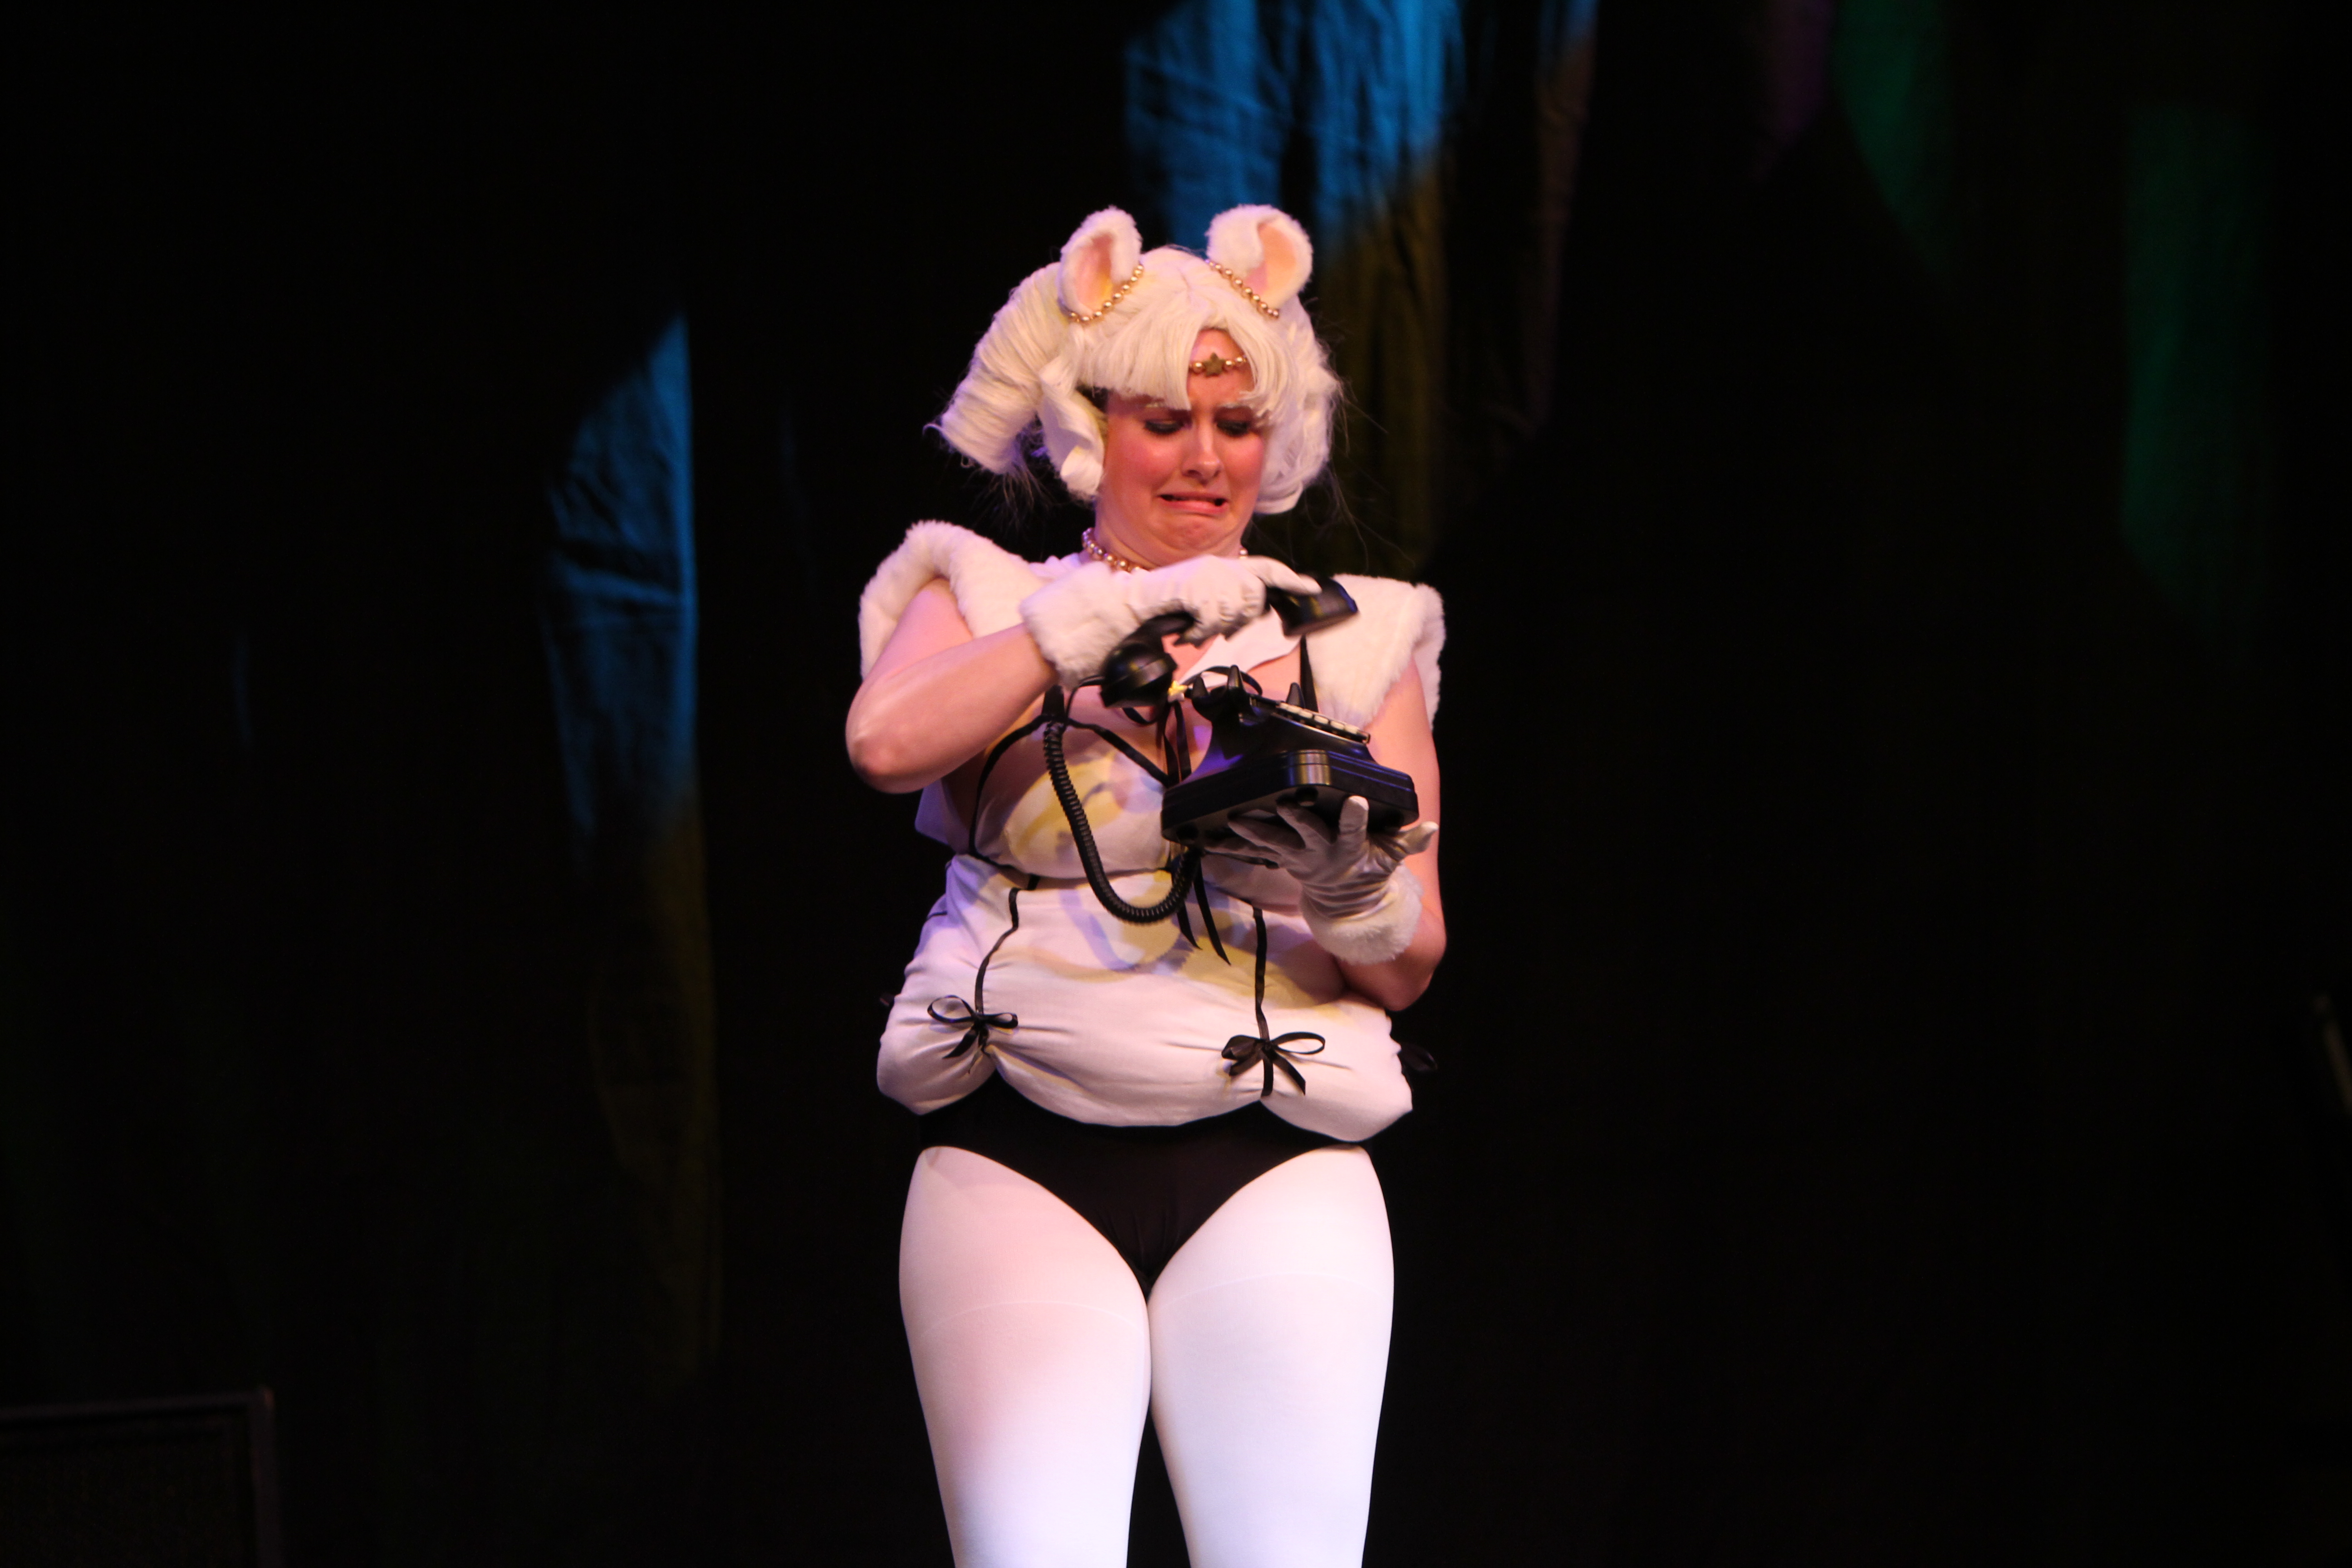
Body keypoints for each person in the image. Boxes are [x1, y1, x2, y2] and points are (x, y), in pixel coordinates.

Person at [846, 204, 1445, 1568]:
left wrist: (1355, 897)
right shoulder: (982, 593)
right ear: (1090, 427)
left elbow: (1413, 964)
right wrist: (1082, 625)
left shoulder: (1363, 636)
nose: (1205, 457)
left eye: (1238, 424)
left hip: (1277, 1162)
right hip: (1020, 1160)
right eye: (1165, 420)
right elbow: (883, 746)